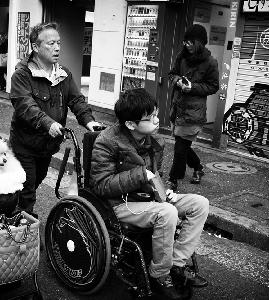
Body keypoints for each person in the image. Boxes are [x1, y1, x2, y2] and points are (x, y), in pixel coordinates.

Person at [90, 88, 209, 300]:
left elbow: (156, 177)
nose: (156, 120)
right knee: (167, 213)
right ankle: (159, 275)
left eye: (155, 113)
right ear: (130, 124)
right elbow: (101, 185)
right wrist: (140, 175)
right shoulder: (106, 141)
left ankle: (176, 265)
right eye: (150, 117)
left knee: (199, 203)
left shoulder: (155, 142)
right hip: (119, 205)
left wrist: (165, 190)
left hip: (149, 199)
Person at [9, 22, 100, 214]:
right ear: (36, 47)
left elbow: (76, 100)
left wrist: (89, 120)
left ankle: (12, 210)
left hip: (48, 145)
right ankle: (23, 229)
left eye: (58, 43)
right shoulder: (21, 75)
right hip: (25, 144)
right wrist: (47, 123)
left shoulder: (63, 73)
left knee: (36, 180)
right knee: (27, 189)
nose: (57, 47)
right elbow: (26, 106)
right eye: (51, 43)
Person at [166, 24, 219, 189]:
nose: (186, 44)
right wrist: (179, 82)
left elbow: (213, 86)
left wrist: (193, 88)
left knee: (180, 148)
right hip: (178, 108)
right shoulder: (181, 57)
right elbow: (171, 74)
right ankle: (198, 167)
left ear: (200, 43)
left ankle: (173, 180)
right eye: (185, 41)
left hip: (194, 112)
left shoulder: (210, 62)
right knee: (183, 145)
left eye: (190, 42)